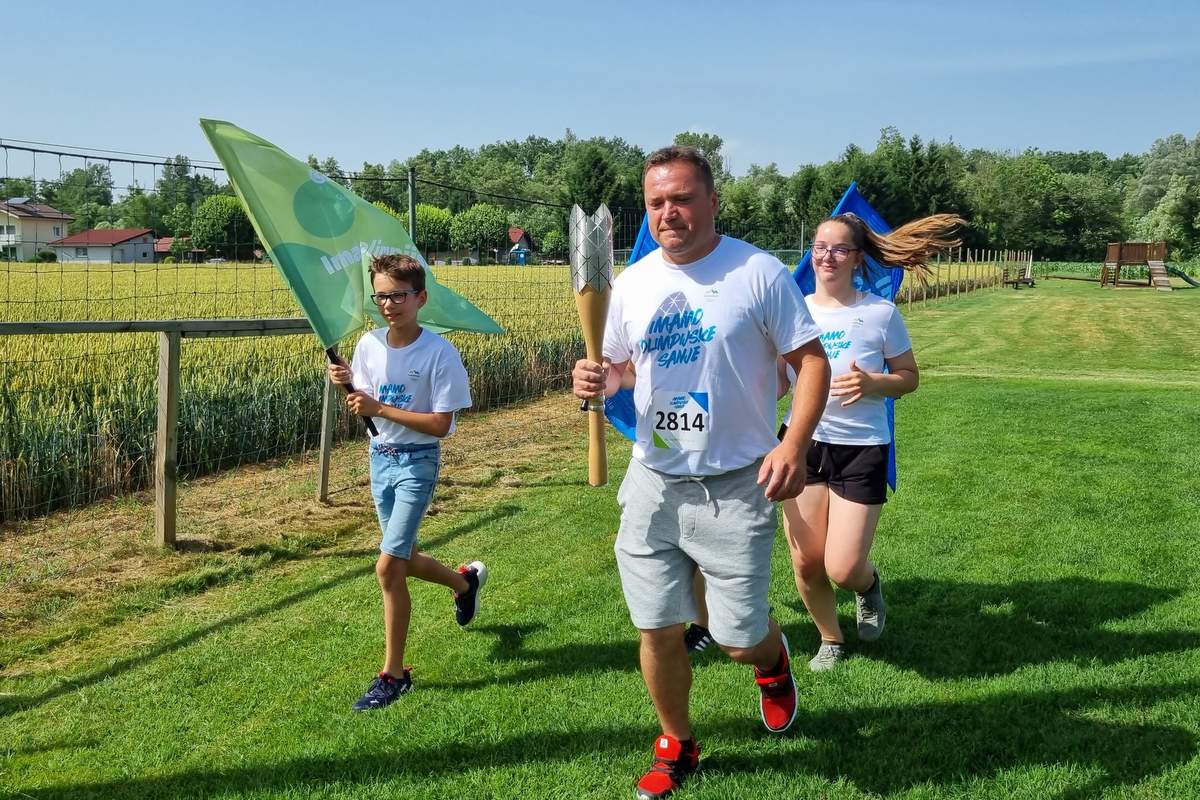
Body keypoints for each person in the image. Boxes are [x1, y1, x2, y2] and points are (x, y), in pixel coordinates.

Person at [572, 146, 830, 799]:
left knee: (736, 638)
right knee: (657, 627)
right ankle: (677, 744)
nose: (669, 213)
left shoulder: (757, 273)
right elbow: (621, 368)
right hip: (654, 481)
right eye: (657, 202)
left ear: (712, 202)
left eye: (682, 199)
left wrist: (793, 445)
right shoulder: (630, 284)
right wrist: (598, 376)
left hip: (737, 483)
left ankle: (770, 663)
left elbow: (813, 363)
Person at [779, 212, 962, 672]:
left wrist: (874, 384)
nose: (827, 256)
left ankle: (867, 586)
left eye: (840, 248)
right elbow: (779, 382)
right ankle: (830, 638)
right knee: (805, 561)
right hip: (803, 443)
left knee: (842, 566)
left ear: (858, 259)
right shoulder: (793, 311)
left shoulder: (880, 313)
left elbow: (910, 378)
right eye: (820, 246)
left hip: (862, 447)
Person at [328, 252, 487, 711]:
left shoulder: (439, 352)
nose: (388, 304)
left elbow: (440, 424)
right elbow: (363, 399)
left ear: (420, 298)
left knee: (389, 566)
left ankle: (394, 675)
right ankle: (464, 585)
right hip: (379, 460)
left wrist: (378, 408)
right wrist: (346, 384)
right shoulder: (367, 345)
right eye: (380, 296)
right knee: (406, 556)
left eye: (398, 295)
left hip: (418, 463)